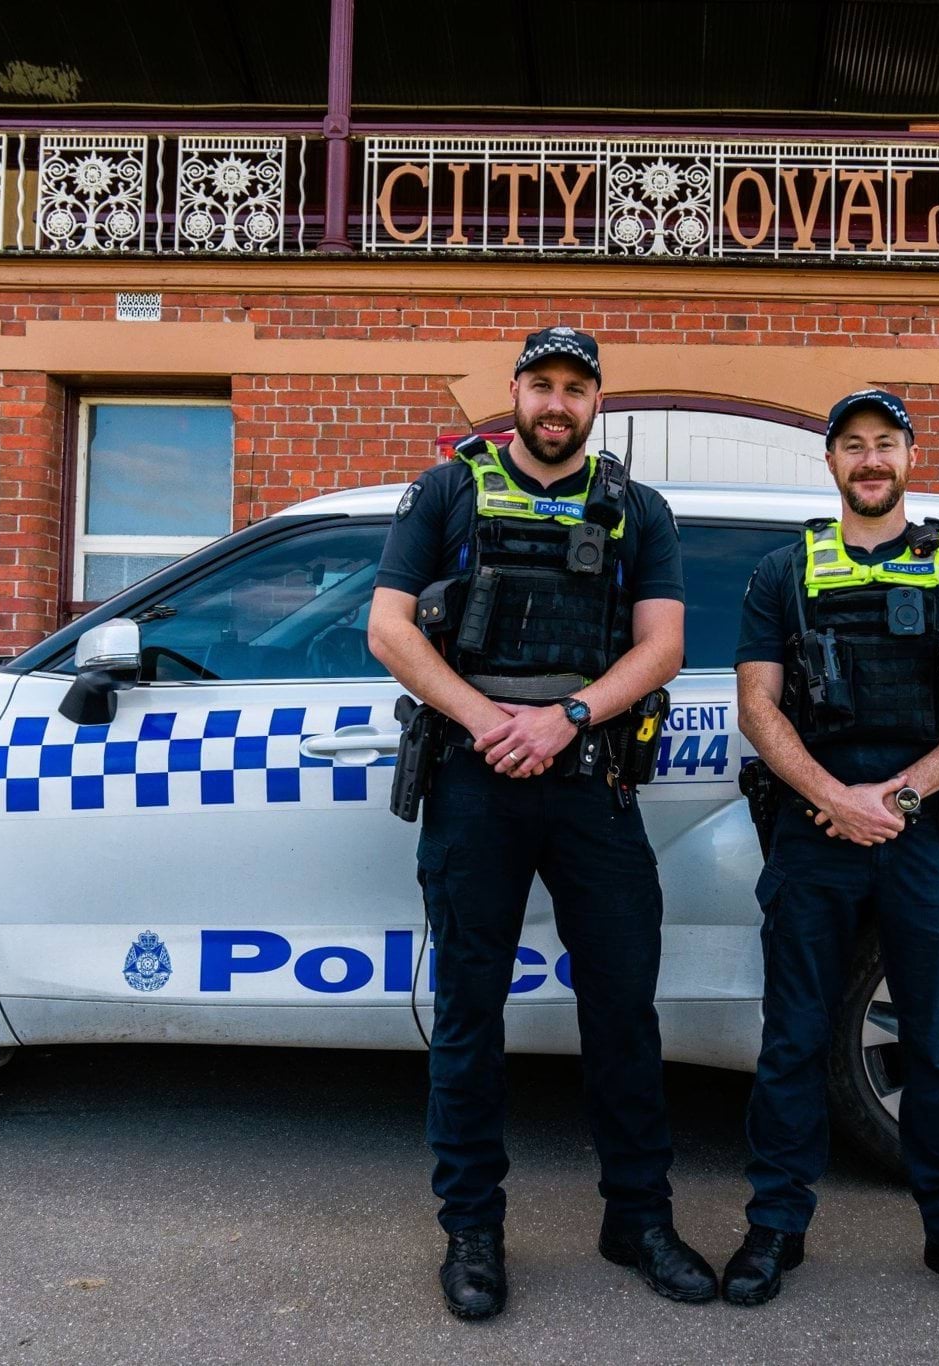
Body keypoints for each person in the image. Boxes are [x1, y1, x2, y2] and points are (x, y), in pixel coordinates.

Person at [367, 326, 718, 1321]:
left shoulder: (636, 509)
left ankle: (637, 1219)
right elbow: (388, 627)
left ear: (595, 400)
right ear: (515, 391)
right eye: (541, 384)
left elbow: (662, 645)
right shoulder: (446, 492)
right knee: (468, 1014)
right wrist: (486, 720)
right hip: (473, 779)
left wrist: (565, 716)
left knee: (623, 1010)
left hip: (591, 778)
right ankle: (472, 1231)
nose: (557, 402)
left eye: (575, 387)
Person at [722, 388, 939, 1315]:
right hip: (813, 835)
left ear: (908, 456)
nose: (869, 460)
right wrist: (833, 798)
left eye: (884, 443)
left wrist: (893, 799)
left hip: (917, 833)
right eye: (851, 445)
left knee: (937, 1042)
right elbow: (757, 704)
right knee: (792, 1041)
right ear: (831, 462)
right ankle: (776, 1227)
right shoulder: (782, 573)